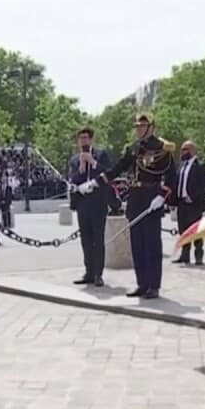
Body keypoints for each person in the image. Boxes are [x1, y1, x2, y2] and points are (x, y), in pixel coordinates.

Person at [76, 113, 176, 299]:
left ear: (151, 127)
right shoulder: (133, 148)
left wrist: (162, 196)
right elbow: (117, 169)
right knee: (137, 243)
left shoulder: (162, 148)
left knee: (151, 244)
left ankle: (154, 285)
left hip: (152, 196)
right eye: (137, 126)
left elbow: (171, 176)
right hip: (136, 198)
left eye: (142, 126)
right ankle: (142, 283)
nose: (138, 129)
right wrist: (96, 183)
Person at [67, 127, 113, 286]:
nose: (83, 141)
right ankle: (89, 271)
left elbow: (108, 173)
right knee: (86, 239)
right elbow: (73, 180)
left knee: (97, 239)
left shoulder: (101, 155)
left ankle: (98, 274)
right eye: (81, 138)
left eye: (86, 138)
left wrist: (93, 163)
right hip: (83, 203)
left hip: (98, 202)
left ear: (91, 139)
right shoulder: (74, 160)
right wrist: (80, 167)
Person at [172, 140, 205, 265]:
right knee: (183, 230)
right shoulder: (181, 166)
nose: (183, 152)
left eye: (186, 149)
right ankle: (184, 255)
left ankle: (198, 256)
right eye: (182, 149)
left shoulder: (201, 166)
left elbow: (203, 186)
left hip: (194, 204)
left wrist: (195, 198)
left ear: (193, 150)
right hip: (182, 203)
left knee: (196, 231)